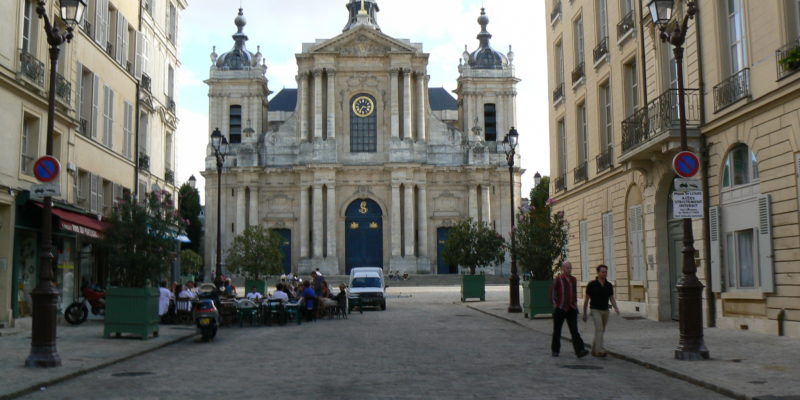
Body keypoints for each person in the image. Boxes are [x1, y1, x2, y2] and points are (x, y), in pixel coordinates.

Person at [551, 261, 589, 358]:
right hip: (560, 308)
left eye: (570, 268)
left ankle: (580, 350)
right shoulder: (558, 279)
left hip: (571, 308)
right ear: (563, 269)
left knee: (574, 330)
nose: (569, 269)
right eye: (567, 268)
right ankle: (555, 350)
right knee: (557, 330)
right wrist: (555, 304)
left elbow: (574, 293)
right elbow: (553, 292)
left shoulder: (573, 280)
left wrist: (575, 305)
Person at [582, 264, 620, 357]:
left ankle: (594, 349)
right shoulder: (592, 284)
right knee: (599, 328)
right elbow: (586, 299)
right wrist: (584, 313)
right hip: (595, 310)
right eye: (603, 272)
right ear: (598, 273)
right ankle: (599, 350)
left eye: (606, 272)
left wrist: (616, 307)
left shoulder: (609, 285)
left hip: (605, 310)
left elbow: (611, 298)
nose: (604, 273)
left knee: (600, 330)